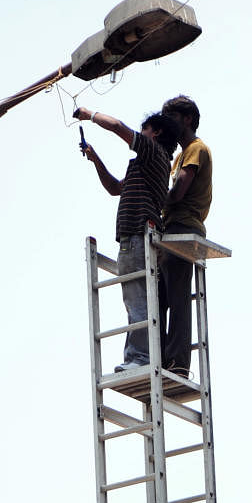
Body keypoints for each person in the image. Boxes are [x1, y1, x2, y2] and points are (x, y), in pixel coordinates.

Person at [76, 106, 179, 370]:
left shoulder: (153, 152)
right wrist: (95, 158)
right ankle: (141, 356)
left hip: (136, 235)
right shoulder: (147, 165)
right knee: (137, 300)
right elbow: (114, 188)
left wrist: (90, 115)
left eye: (145, 129)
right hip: (135, 237)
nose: (141, 133)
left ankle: (140, 358)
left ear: (155, 133)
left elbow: (117, 126)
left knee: (138, 301)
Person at [159, 96, 213, 376]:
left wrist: (155, 199)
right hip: (172, 227)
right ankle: (161, 359)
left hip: (183, 226)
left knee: (177, 297)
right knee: (161, 298)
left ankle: (178, 363)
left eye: (173, 119)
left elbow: (178, 192)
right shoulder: (179, 155)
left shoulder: (195, 149)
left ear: (187, 119)